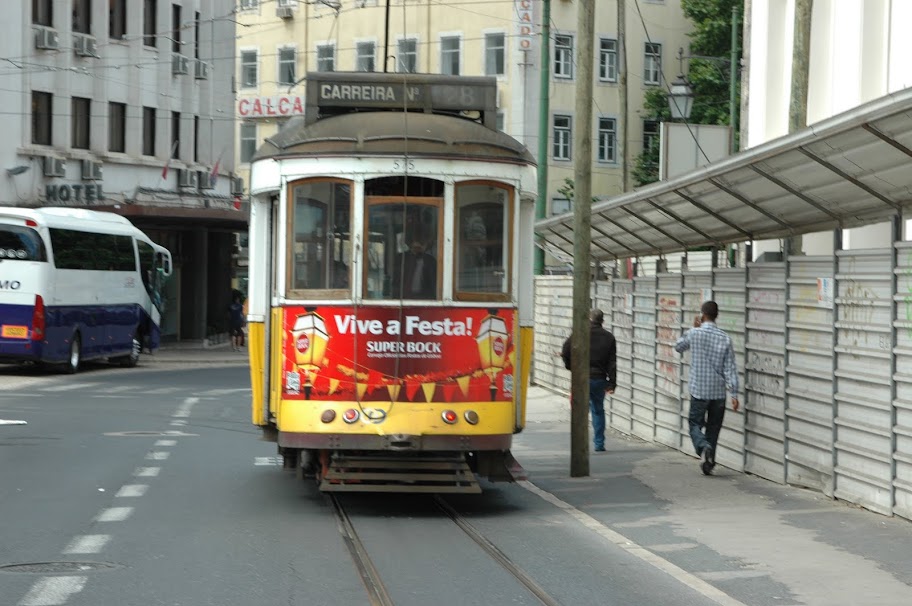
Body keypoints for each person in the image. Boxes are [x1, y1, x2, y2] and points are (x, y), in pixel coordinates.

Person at [674, 300, 740, 475]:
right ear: (717, 316)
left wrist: (693, 327)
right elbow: (730, 368)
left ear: (702, 315)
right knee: (714, 428)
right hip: (718, 393)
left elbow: (678, 346)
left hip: (699, 391)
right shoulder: (725, 338)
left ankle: (703, 447)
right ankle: (708, 464)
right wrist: (734, 393)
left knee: (694, 424)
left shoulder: (694, 333)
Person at [561, 309, 617, 452]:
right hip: (599, 379)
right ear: (602, 321)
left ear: (589, 320)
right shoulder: (609, 337)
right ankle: (599, 444)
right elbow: (612, 363)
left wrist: (570, 366)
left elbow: (566, 350)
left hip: (581, 379)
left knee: (579, 411)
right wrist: (612, 383)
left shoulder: (580, 335)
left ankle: (579, 444)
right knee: (598, 410)